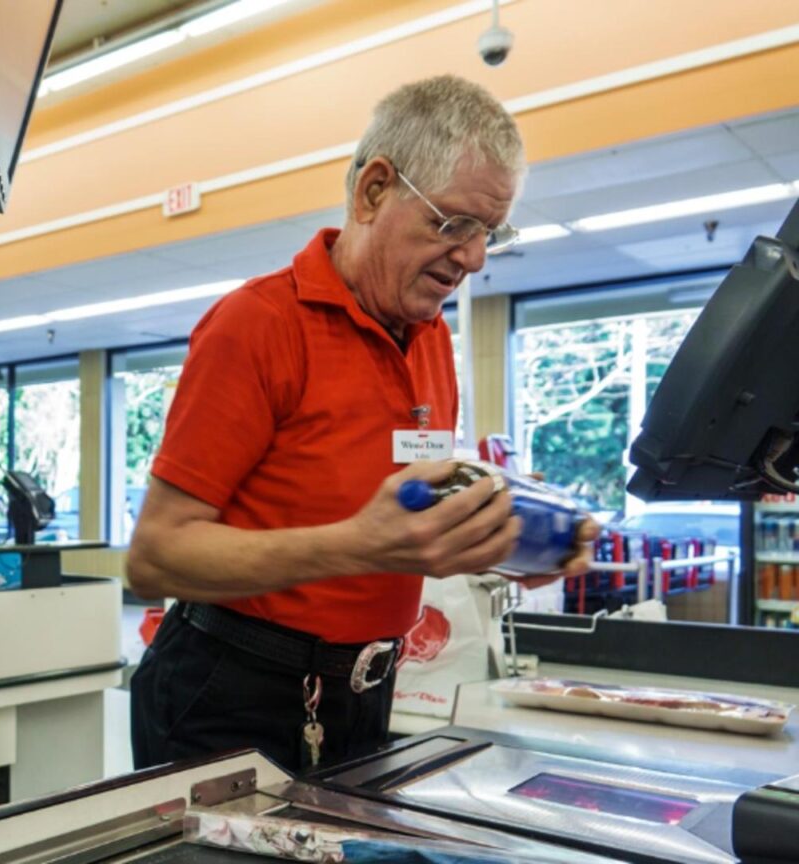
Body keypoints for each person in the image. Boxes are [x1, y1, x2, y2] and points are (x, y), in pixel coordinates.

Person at [126, 75, 600, 774]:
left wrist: (514, 546)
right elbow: (156, 556)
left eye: (489, 233)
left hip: (364, 691)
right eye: (454, 224)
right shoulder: (257, 324)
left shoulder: (430, 337)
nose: (474, 258)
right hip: (230, 693)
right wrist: (355, 545)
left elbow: (404, 520)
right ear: (374, 190)